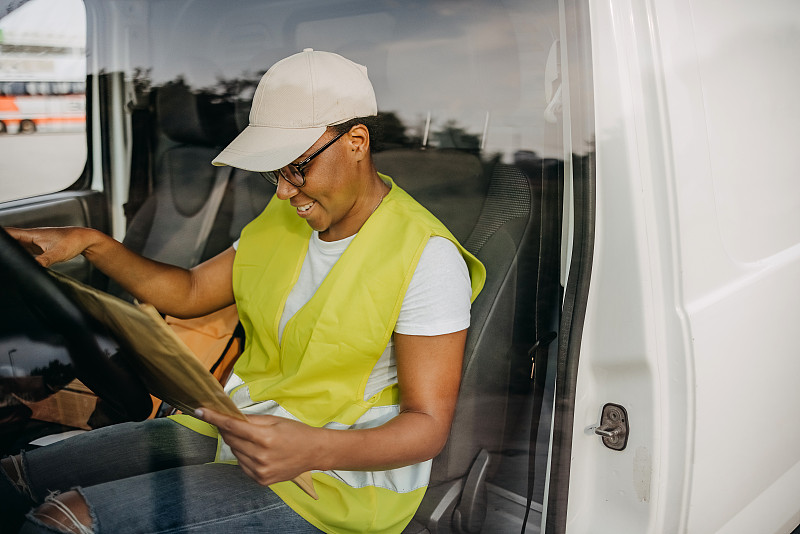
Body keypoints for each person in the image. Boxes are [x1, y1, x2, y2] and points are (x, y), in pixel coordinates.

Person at [0, 49, 485, 533]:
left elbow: (427, 426)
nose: (282, 191)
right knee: (17, 476)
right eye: (273, 172)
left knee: (62, 521)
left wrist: (313, 447)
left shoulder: (427, 257)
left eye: (297, 167)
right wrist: (92, 244)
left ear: (356, 142)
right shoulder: (288, 216)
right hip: (235, 429)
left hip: (334, 477)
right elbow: (190, 292)